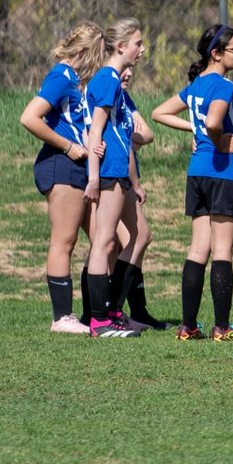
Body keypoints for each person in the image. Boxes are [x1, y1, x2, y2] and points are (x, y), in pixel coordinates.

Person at [151, 24, 233, 342]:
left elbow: (159, 113)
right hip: (225, 173)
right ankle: (222, 328)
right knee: (222, 250)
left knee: (198, 249)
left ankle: (188, 326)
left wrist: (194, 129)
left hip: (197, 173)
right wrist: (219, 141)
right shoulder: (222, 85)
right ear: (216, 54)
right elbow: (213, 122)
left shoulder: (195, 86)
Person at [20, 21, 106, 335]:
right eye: (97, 56)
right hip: (61, 165)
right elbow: (29, 117)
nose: (99, 63)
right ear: (83, 52)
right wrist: (69, 146)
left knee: (104, 239)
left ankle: (96, 313)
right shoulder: (61, 77)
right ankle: (62, 317)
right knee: (65, 240)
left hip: (79, 167)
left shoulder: (76, 82)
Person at [80, 18, 148, 337]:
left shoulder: (113, 81)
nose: (142, 49)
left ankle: (112, 312)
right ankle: (99, 321)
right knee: (104, 241)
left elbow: (120, 134)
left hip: (119, 171)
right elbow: (95, 130)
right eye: (137, 43)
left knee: (136, 235)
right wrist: (93, 178)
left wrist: (134, 181)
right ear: (121, 46)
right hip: (107, 172)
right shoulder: (107, 79)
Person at [109, 65, 165, 330]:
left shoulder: (124, 97)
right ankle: (109, 312)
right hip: (112, 179)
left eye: (132, 68)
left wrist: (124, 138)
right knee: (130, 240)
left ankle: (136, 311)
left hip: (127, 178)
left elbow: (148, 134)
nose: (129, 73)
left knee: (135, 241)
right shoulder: (105, 89)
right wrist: (123, 138)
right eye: (125, 67)